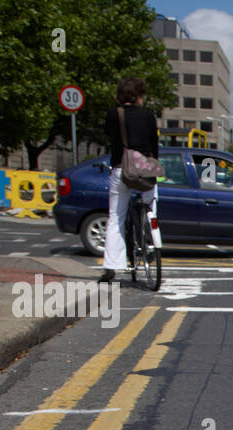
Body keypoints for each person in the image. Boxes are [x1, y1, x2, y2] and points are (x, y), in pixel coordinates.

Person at [100, 77, 159, 283]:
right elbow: (154, 144)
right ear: (139, 96)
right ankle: (151, 235)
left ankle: (111, 266)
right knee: (151, 202)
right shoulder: (148, 115)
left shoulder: (113, 114)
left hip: (121, 169)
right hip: (144, 170)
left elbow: (108, 134)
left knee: (116, 216)